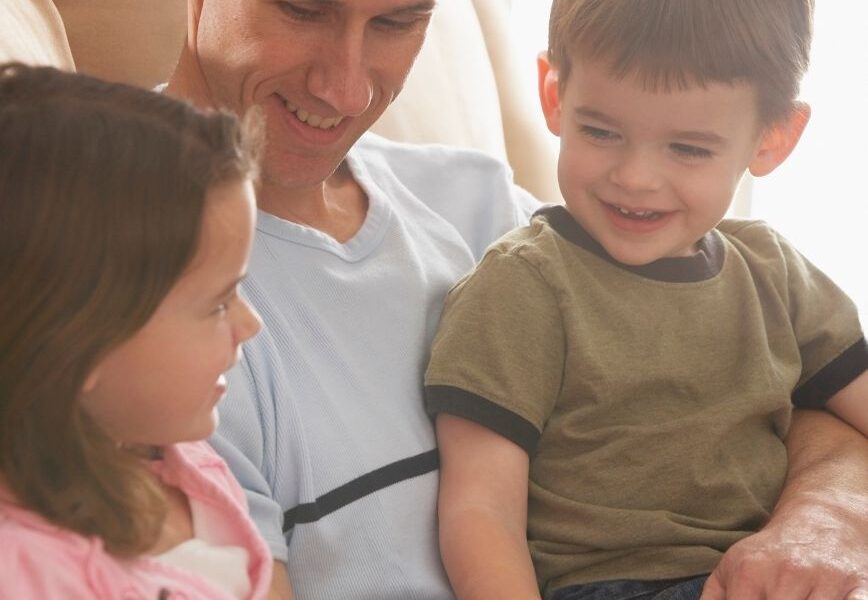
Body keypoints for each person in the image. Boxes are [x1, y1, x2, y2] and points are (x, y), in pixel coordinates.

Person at [163, 1, 868, 599]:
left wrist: (829, 510)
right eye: (303, 7)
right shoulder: (134, 299)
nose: (345, 89)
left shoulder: (490, 202)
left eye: (398, 20)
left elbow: (782, 392)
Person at [422, 1, 868, 599]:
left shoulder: (772, 270)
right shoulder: (521, 286)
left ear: (773, 138)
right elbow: (480, 513)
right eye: (601, 131)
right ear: (554, 96)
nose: (634, 177)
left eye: (688, 149)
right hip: (615, 584)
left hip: (765, 572)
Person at [0, 63, 271, 599]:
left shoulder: (180, 457)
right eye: (219, 303)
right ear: (79, 340)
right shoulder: (29, 572)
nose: (251, 324)